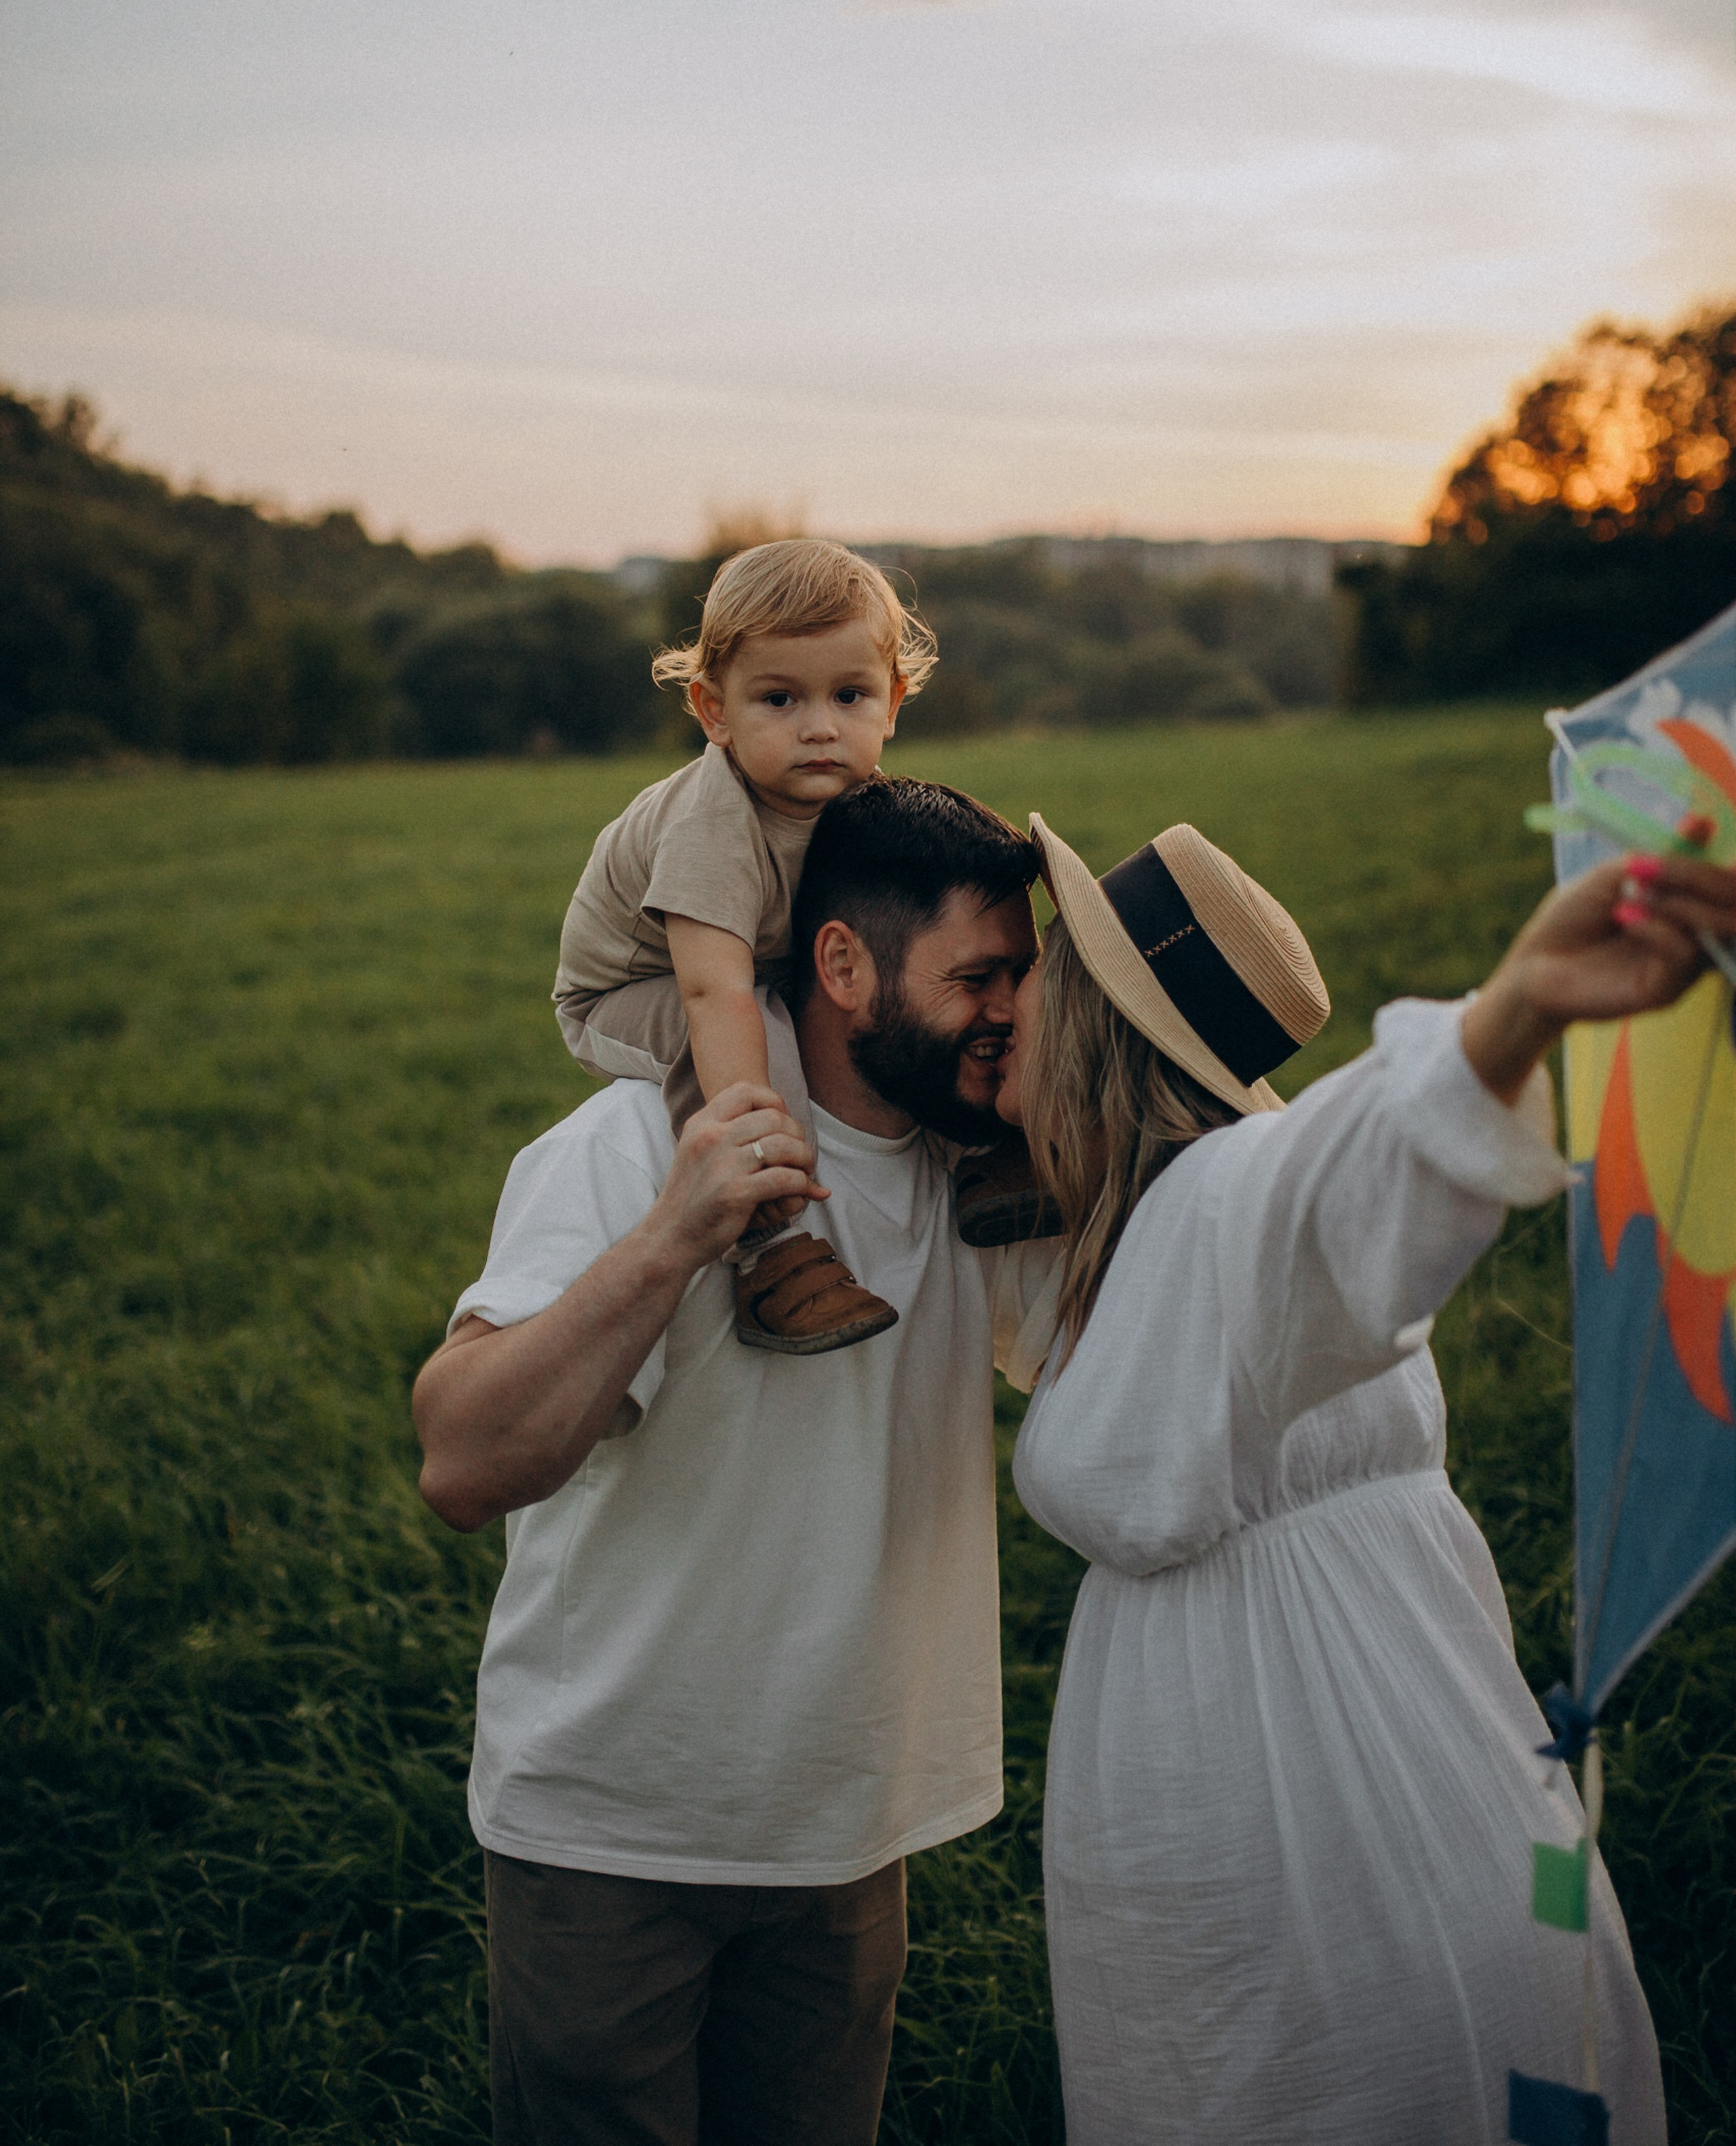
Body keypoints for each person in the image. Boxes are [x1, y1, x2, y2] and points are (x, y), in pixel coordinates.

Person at [995, 815, 1728, 2145]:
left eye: (1037, 975)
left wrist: (1508, 1014)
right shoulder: (1143, 1223)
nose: (1005, 1004)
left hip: (1336, 1818)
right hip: (1327, 1778)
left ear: (1098, 1027)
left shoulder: (1228, 1198)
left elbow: (1335, 1173)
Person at [414, 778, 1063, 2146]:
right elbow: (462, 1460)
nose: (1011, 1008)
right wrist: (670, 1241)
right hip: (611, 1833)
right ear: (841, 965)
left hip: (842, 1832)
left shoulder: (990, 1183)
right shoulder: (625, 1148)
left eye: (1025, 974)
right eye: (978, 976)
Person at [553, 536, 934, 1354]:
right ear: (713, 711)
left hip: (760, 969)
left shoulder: (864, 798)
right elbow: (710, 993)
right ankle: (766, 1252)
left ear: (893, 702)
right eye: (779, 701)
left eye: (849, 695)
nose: (820, 729)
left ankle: (977, 1156)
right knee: (761, 1032)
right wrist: (761, 1120)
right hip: (631, 994)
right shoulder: (709, 823)